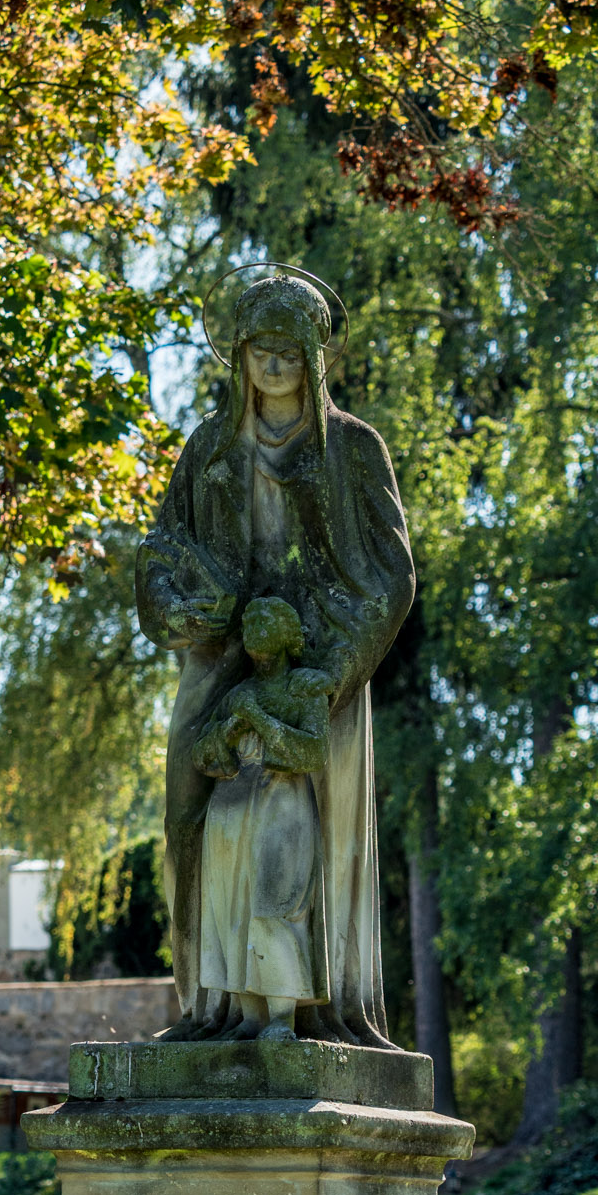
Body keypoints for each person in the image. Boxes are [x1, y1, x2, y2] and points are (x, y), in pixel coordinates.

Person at [135, 271, 415, 1044]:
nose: (274, 364)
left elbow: (391, 574)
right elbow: (162, 548)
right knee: (189, 817)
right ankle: (209, 1006)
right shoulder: (208, 446)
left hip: (318, 662)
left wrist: (337, 665)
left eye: (289, 350)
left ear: (315, 357)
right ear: (238, 354)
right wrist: (173, 605)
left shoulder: (352, 447)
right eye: (260, 348)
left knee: (307, 834)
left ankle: (310, 1009)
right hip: (220, 655)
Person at [192, 596, 333, 1040]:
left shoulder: (303, 688)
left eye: (265, 619)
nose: (253, 626)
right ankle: (251, 1017)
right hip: (230, 808)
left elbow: (313, 752)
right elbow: (202, 754)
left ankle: (282, 1017)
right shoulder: (237, 694)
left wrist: (258, 719)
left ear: (289, 634)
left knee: (275, 905)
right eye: (249, 620)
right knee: (231, 912)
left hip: (282, 804)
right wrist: (228, 731)